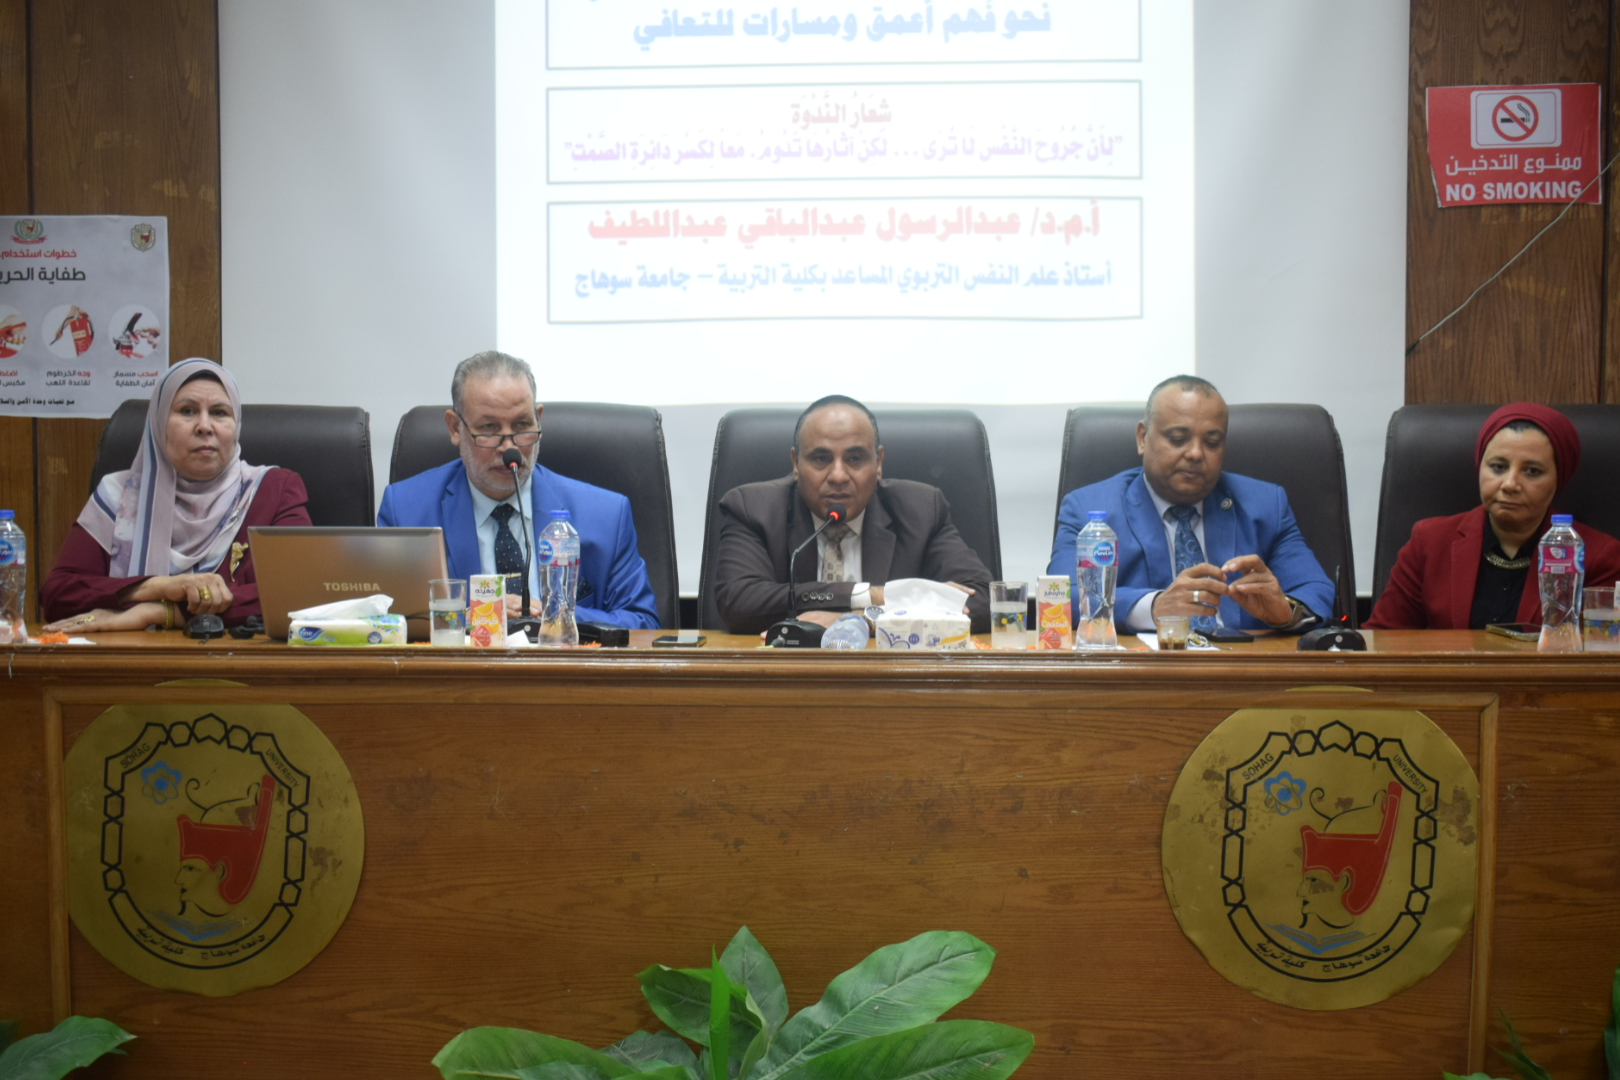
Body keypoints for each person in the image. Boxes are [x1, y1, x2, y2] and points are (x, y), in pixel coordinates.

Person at [376, 350, 659, 629]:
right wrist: (471, 617)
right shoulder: (406, 511)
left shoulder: (606, 515)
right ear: (455, 428)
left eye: (522, 425)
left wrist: (555, 615)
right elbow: (380, 621)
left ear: (539, 420)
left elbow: (643, 624)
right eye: (489, 428)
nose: (509, 447)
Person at [1047, 375, 1335, 634]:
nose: (1196, 453)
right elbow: (1061, 598)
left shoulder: (1266, 505)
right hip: (1143, 670)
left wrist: (1286, 612)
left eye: (1212, 442)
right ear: (1143, 438)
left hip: (1241, 667)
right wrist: (1153, 607)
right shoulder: (1089, 508)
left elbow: (1316, 591)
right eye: (1178, 439)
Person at [42, 358, 311, 632]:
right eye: (187, 411)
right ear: (160, 424)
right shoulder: (119, 495)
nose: (204, 426)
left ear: (236, 425)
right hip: (132, 655)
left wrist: (161, 611)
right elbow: (58, 595)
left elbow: (302, 592)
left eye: (219, 412)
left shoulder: (274, 490)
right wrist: (160, 586)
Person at [714, 395, 992, 635]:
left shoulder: (921, 510)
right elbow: (739, 602)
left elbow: (985, 601)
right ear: (796, 463)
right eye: (821, 459)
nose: (838, 476)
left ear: (878, 463)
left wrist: (862, 619)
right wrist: (870, 595)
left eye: (855, 459)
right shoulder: (753, 508)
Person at [1366, 403, 1620, 629]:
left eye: (1532, 471)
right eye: (1498, 467)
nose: (1510, 484)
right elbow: (1383, 640)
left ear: (1558, 479)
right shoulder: (1430, 542)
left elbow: (1604, 653)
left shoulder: (1598, 557)